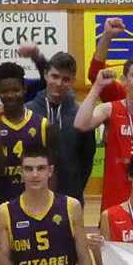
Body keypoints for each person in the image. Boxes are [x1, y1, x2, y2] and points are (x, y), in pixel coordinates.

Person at [76, 55, 133, 209]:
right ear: (124, 80)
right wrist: (97, 87)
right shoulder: (109, 109)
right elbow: (80, 125)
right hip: (115, 202)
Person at [0, 62, 57, 210]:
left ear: (24, 89)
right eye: (4, 91)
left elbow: (52, 171)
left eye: (15, 90)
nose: (10, 95)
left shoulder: (43, 125)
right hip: (3, 203)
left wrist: (52, 204)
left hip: (38, 202)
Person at [26, 52, 96, 201]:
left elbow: (87, 159)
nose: (59, 83)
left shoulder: (81, 115)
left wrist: (76, 189)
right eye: (55, 76)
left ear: (73, 81)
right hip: (30, 196)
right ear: (45, 74)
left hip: (70, 196)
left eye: (66, 79)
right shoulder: (28, 111)